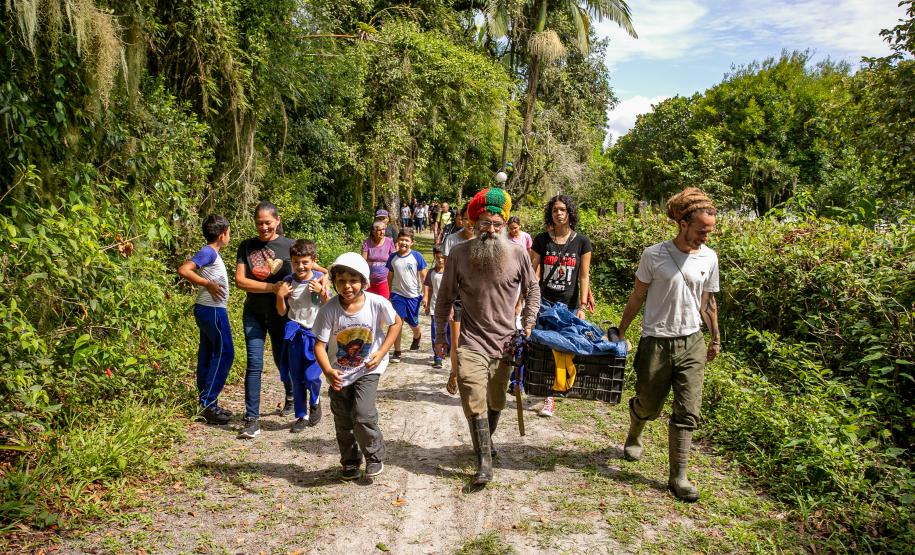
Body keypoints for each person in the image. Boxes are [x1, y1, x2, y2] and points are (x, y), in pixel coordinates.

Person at [617, 188, 721, 503]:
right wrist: (621, 329)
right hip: (656, 341)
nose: (706, 235)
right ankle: (636, 429)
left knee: (688, 410)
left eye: (710, 230)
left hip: (692, 342)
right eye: (701, 229)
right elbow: (637, 296)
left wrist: (715, 336)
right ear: (682, 223)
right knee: (649, 404)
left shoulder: (709, 257)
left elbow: (708, 301)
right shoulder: (654, 255)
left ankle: (678, 476)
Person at [434, 187, 541, 486]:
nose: (490, 230)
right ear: (474, 224)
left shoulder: (518, 253)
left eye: (497, 225)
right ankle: (484, 462)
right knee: (471, 390)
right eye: (484, 224)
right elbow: (444, 298)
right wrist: (441, 336)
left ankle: (485, 442)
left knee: (496, 400)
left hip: (506, 341)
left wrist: (528, 323)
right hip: (471, 339)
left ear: (504, 226)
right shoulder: (458, 254)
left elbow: (533, 290)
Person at [313, 253, 403, 480]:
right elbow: (319, 346)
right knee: (343, 420)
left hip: (368, 369)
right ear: (334, 282)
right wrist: (328, 371)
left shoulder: (377, 303)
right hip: (339, 373)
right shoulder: (329, 310)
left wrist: (381, 352)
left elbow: (396, 323)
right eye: (341, 281)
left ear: (364, 282)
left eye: (353, 280)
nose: (347, 286)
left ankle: (374, 455)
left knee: (363, 414)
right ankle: (350, 461)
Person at [235, 201, 295, 439]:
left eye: (268, 222)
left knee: (283, 362)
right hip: (254, 314)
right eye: (259, 223)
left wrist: (323, 279)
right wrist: (271, 287)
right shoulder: (246, 246)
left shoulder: (290, 245)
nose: (263, 227)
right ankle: (252, 419)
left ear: (277, 221)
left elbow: (308, 268)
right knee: (254, 364)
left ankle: (291, 395)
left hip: (281, 314)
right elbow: (241, 281)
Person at [530, 194, 593, 418]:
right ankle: (547, 395)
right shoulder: (541, 240)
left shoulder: (582, 242)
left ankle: (555, 390)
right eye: (555, 209)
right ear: (551, 213)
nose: (559, 213)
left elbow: (583, 276)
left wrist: (583, 305)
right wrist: (526, 299)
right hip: (544, 303)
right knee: (545, 348)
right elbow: (530, 271)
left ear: (570, 213)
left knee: (562, 349)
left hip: (568, 305)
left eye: (563, 210)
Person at [177, 214, 235, 425]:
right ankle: (208, 404)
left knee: (209, 353)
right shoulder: (208, 251)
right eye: (229, 232)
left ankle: (207, 403)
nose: (229, 236)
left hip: (209, 309)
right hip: (212, 310)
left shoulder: (212, 253)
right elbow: (184, 269)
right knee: (226, 352)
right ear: (222, 235)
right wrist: (207, 284)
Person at [275, 239, 329, 433]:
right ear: (291, 261)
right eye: (296, 262)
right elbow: (281, 312)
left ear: (313, 260)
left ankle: (315, 400)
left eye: (305, 262)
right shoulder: (288, 282)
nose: (301, 266)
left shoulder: (319, 280)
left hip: (315, 335)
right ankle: (301, 415)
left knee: (311, 375)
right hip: (295, 333)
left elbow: (327, 306)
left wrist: (322, 292)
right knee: (296, 377)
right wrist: (280, 295)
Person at [386, 229, 427, 362]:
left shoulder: (416, 256)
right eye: (401, 239)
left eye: (407, 240)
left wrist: (425, 295)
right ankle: (397, 352)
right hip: (397, 295)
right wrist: (389, 294)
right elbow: (390, 276)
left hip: (414, 295)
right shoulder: (393, 257)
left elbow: (424, 278)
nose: (403, 242)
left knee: (413, 322)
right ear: (397, 241)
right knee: (397, 323)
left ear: (412, 242)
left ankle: (417, 334)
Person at [422, 245, 450, 370]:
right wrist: (426, 300)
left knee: (448, 332)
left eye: (443, 258)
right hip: (435, 308)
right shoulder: (431, 273)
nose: (440, 260)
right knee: (436, 333)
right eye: (438, 258)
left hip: (450, 308)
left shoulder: (451, 273)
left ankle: (447, 350)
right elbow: (429, 287)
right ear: (434, 257)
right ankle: (437, 357)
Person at [362, 221, 397, 299]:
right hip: (369, 282)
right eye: (379, 230)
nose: (382, 232)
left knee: (385, 303)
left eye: (383, 229)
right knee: (369, 304)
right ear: (373, 232)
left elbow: (394, 259)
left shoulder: (389, 241)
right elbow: (363, 261)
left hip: (385, 281)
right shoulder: (367, 242)